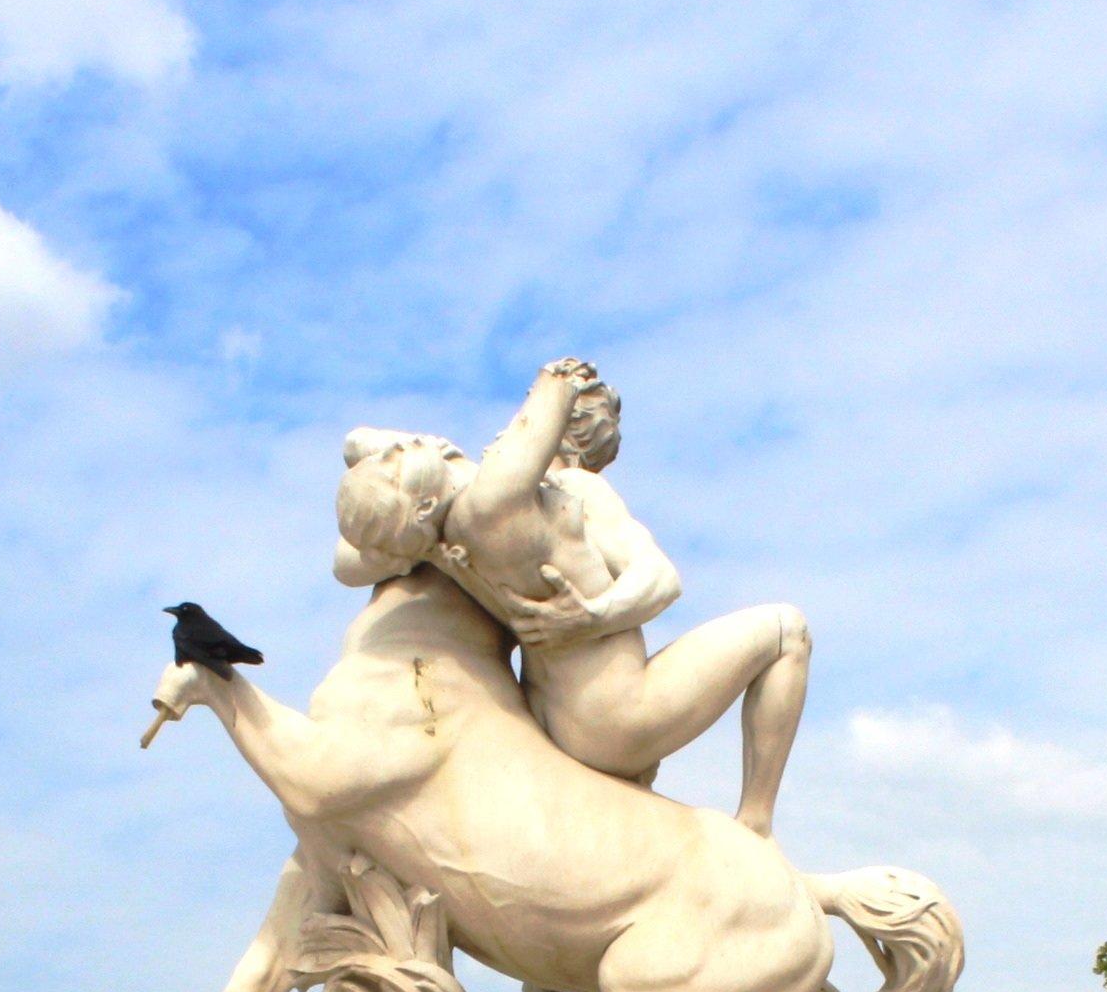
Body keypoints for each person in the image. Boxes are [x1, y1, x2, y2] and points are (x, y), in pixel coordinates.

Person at [332, 359, 812, 838]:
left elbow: (355, 474)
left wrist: (587, 618)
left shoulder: (499, 509)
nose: (505, 431)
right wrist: (594, 616)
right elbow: (662, 577)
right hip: (614, 719)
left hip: (550, 717)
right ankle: (756, 822)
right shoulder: (533, 500)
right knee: (788, 630)